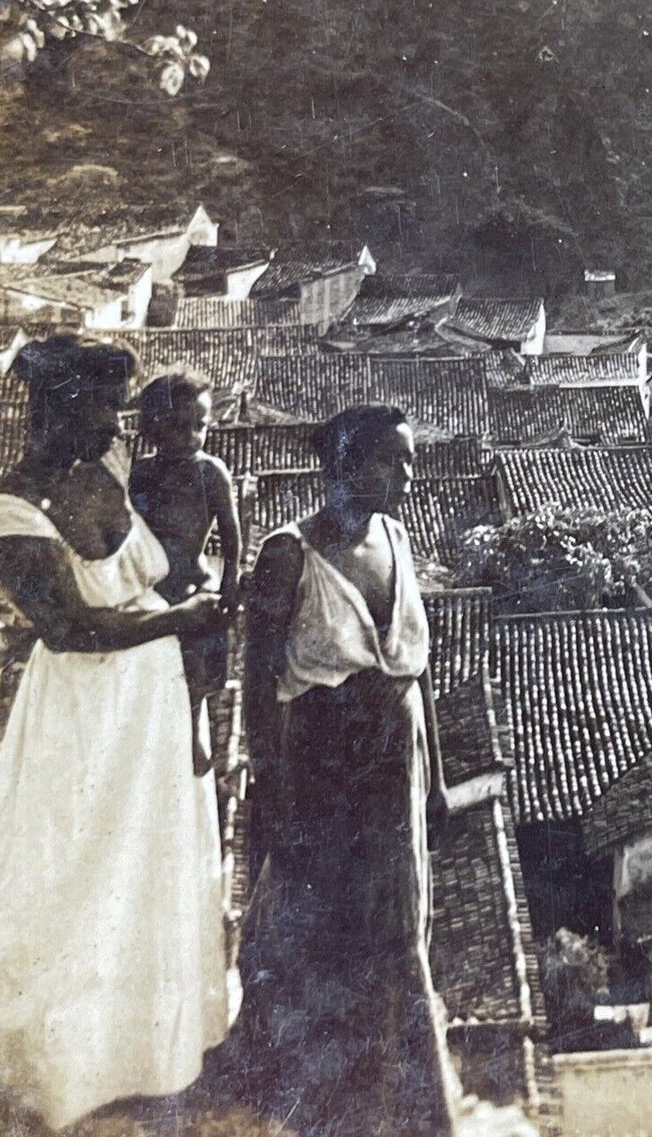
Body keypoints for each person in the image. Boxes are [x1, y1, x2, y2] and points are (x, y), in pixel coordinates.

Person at [0, 335, 229, 1131]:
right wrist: (180, 619)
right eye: (102, 408)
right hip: (85, 716)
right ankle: (66, 1071)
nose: (118, 427)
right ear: (54, 406)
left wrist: (199, 598)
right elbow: (69, 627)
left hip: (150, 702)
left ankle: (146, 1056)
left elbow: (154, 575)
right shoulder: (10, 511)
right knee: (79, 871)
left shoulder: (103, 478)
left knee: (145, 867)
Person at [236, 404, 462, 1135]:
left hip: (397, 763)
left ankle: (405, 1110)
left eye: (408, 458)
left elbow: (417, 669)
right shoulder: (286, 553)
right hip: (323, 765)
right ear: (345, 464)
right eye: (393, 460)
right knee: (322, 932)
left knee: (396, 931)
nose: (408, 474)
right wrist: (271, 795)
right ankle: (322, 1111)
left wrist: (436, 783)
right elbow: (258, 686)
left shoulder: (395, 537)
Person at [131, 366, 242, 776]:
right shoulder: (141, 473)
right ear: (153, 428)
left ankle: (196, 726)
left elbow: (232, 535)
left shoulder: (211, 473)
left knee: (196, 670)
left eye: (200, 425)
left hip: (194, 585)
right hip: (152, 587)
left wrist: (230, 586)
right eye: (179, 427)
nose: (192, 436)